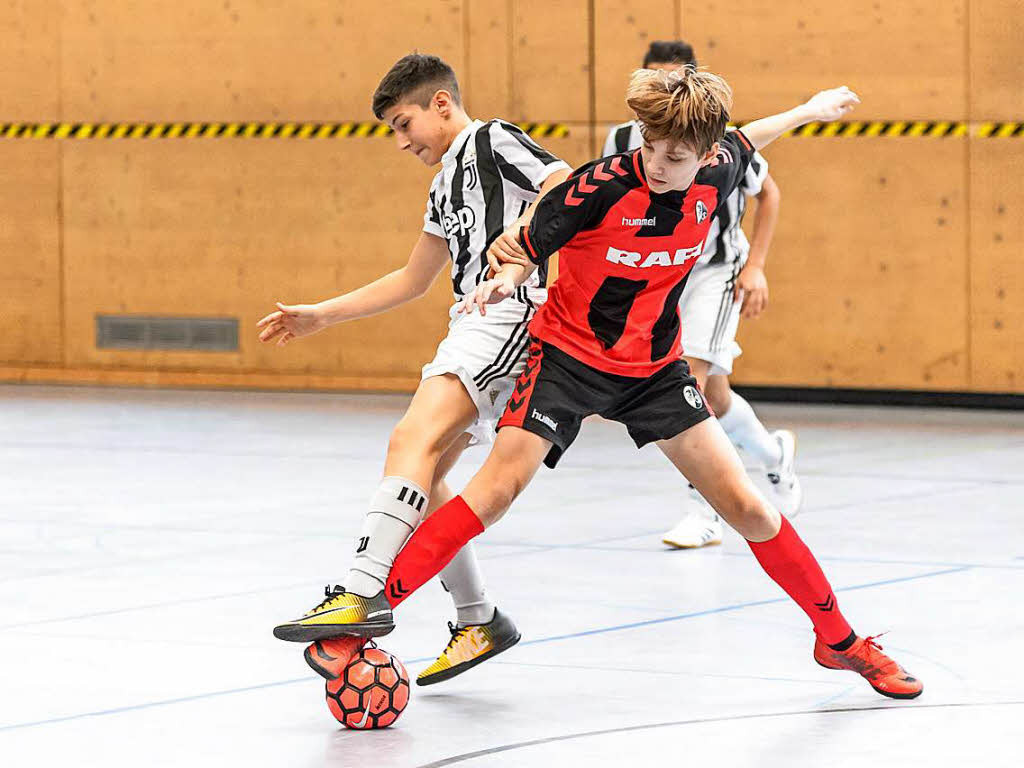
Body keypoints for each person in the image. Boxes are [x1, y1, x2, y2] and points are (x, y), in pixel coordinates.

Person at [273, 66, 923, 701]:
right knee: (494, 492)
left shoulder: (717, 170)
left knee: (749, 508)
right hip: (566, 363)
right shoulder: (596, 189)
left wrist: (810, 109)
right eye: (651, 148)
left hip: (654, 373)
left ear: (705, 155)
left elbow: (752, 135)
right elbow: (522, 243)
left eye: (677, 155)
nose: (660, 164)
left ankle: (839, 641)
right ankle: (365, 614)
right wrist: (506, 277)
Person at [258, 53, 571, 686]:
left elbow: (566, 181)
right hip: (469, 321)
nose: (402, 143)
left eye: (405, 125)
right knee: (425, 478)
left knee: (409, 440)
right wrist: (323, 315)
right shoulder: (442, 184)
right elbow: (411, 279)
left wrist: (520, 252)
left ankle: (358, 588)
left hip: (509, 315)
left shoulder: (491, 139)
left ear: (441, 104)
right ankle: (477, 618)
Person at [605, 40, 798, 550]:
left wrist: (755, 267)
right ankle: (772, 452)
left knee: (685, 384)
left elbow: (768, 194)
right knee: (713, 396)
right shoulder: (623, 139)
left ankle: (706, 509)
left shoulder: (717, 139)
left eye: (674, 83)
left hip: (715, 271)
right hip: (664, 276)